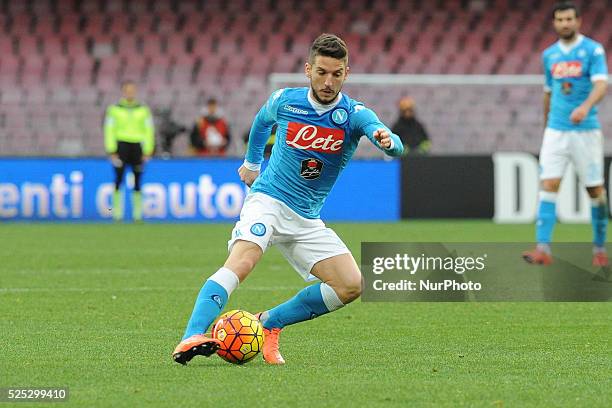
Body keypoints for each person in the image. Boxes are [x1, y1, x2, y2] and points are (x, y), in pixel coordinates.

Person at [172, 33, 403, 365]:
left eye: (336, 74)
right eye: (321, 72)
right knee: (243, 262)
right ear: (308, 69)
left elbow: (393, 142)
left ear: (346, 74)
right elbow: (261, 122)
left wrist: (388, 141)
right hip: (268, 200)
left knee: (351, 285)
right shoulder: (285, 100)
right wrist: (252, 163)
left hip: (306, 218)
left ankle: (269, 323)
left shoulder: (354, 114)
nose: (328, 81)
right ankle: (192, 334)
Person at [523, 1, 608, 266]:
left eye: (569, 19)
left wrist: (585, 107)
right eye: (560, 20)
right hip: (556, 131)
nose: (565, 24)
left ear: (578, 21)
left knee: (595, 190)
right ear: (554, 23)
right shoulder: (549, 55)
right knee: (548, 185)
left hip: (585, 130)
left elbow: (602, 85)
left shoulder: (593, 49)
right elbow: (548, 91)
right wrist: (547, 124)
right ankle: (542, 249)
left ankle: (599, 250)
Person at [104, 80, 155, 222]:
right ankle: (117, 213)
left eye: (132, 90)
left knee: (138, 179)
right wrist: (111, 149)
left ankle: (137, 214)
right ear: (123, 91)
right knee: (118, 179)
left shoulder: (143, 110)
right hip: (121, 145)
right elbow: (109, 130)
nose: (130, 93)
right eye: (127, 90)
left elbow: (149, 130)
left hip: (137, 146)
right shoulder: (114, 109)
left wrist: (148, 149)